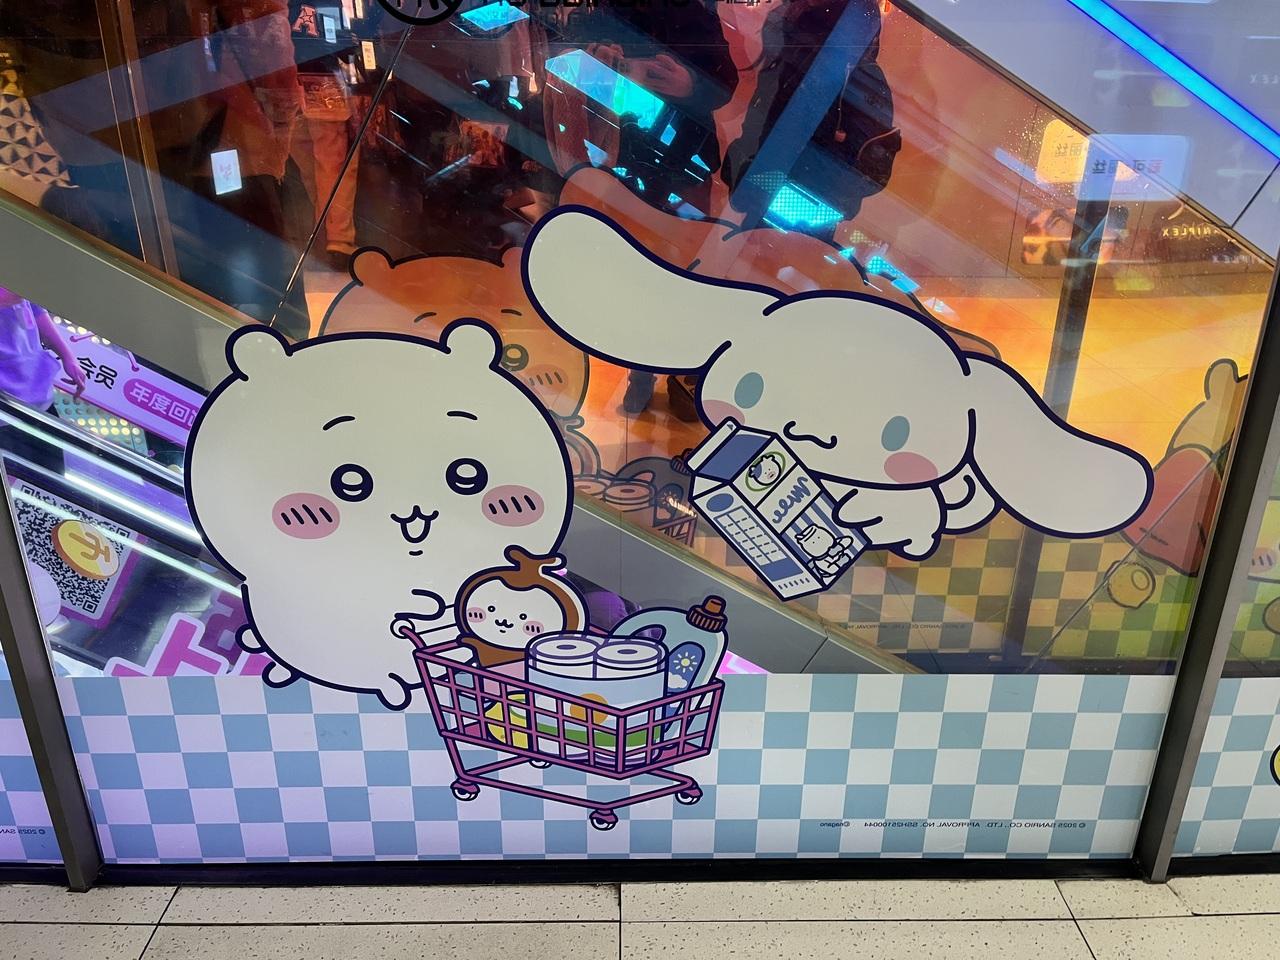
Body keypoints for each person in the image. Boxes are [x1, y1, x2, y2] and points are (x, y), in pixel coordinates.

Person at [538, 2, 737, 420]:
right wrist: (598, 60)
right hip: (623, 156)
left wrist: (692, 86)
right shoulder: (615, 9)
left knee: (685, 272)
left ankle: (678, 377)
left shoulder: (699, 15)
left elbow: (727, 87)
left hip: (683, 160)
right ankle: (645, 372)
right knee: (641, 272)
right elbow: (568, 58)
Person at [722, 0, 900, 241]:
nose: (793, 7)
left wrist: (753, 179)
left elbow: (861, 173)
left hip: (801, 218)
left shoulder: (860, 79)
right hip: (772, 207)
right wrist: (744, 174)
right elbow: (759, 123)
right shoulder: (793, 59)